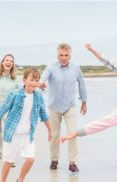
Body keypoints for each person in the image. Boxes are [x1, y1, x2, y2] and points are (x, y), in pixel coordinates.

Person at [0, 68, 52, 182]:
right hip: (12, 134)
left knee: (30, 159)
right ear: (24, 80)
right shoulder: (15, 94)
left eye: (36, 80)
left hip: (27, 135)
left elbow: (43, 114)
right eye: (31, 80)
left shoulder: (38, 96)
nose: (34, 83)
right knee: (8, 161)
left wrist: (50, 130)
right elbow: (2, 110)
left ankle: (20, 181)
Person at [39, 43, 87, 172]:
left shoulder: (76, 68)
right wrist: (41, 84)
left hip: (69, 106)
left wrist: (84, 101)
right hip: (54, 107)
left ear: (70, 56)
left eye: (66, 55)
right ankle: (54, 160)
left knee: (72, 133)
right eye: (61, 55)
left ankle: (72, 162)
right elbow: (43, 78)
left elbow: (81, 84)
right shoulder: (51, 67)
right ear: (57, 55)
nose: (64, 57)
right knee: (55, 135)